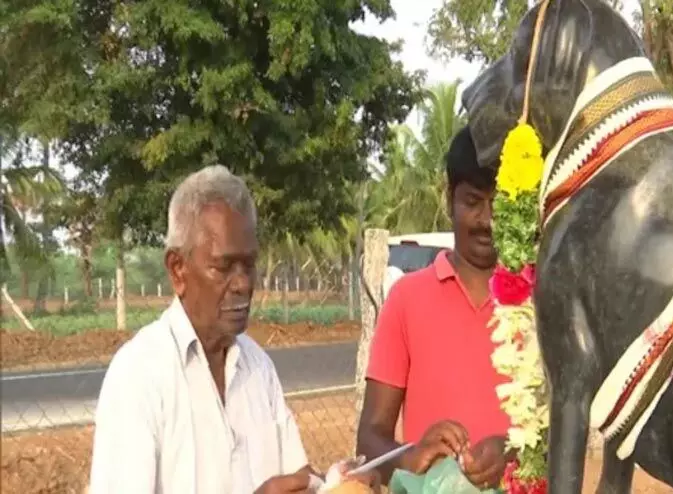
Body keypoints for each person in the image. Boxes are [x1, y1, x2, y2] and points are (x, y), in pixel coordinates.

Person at [89, 165, 377, 494]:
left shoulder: (258, 367)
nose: (242, 284)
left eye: (249, 265)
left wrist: (336, 485)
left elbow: (296, 478)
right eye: (223, 267)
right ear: (178, 270)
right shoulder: (139, 376)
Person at [356, 126, 513, 490]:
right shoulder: (407, 299)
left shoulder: (535, 305)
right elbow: (369, 439)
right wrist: (411, 457)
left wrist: (513, 453)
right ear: (449, 200)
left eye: (500, 204)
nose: (487, 221)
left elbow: (563, 435)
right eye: (472, 202)